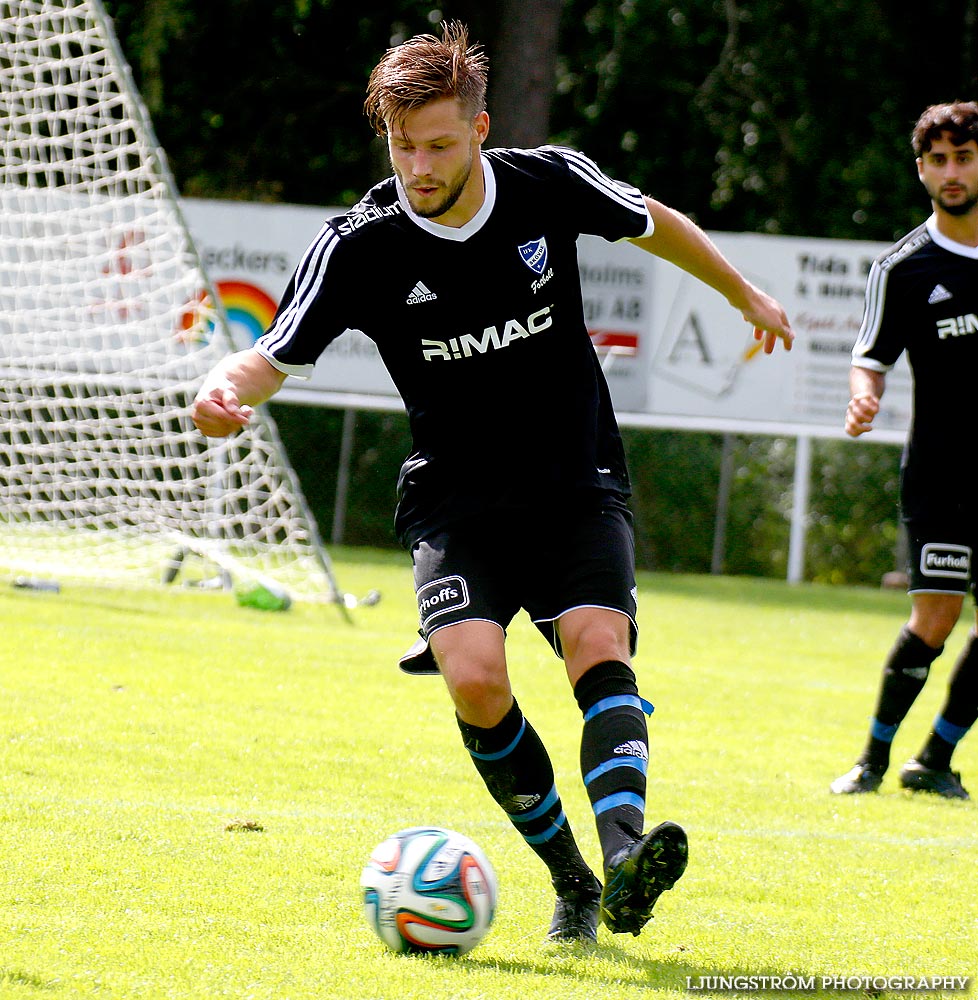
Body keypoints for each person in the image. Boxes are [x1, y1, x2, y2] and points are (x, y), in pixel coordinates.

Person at [192, 22, 794, 941]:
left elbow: (653, 222)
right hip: (457, 496)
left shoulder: (547, 181)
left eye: (437, 143)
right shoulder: (361, 243)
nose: (418, 165)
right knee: (474, 679)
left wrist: (741, 292)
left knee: (599, 640)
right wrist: (223, 385)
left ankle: (629, 854)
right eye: (402, 146)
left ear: (480, 128)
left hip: (574, 477)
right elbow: (273, 353)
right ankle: (575, 883)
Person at [830, 101, 978, 801]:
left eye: (965, 156)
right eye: (939, 160)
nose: (953, 171)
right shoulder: (906, 267)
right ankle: (873, 760)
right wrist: (865, 395)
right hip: (943, 476)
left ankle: (935, 759)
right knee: (936, 618)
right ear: (922, 171)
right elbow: (872, 355)